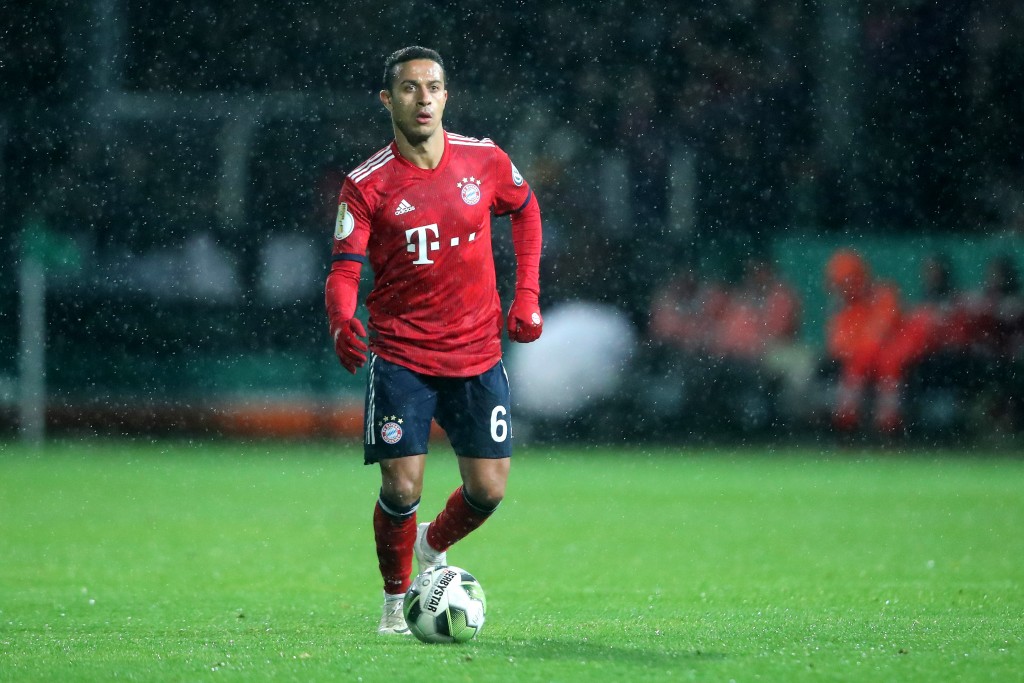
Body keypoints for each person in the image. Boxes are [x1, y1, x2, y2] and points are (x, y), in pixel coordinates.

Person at [324, 46, 544, 635]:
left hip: (476, 354)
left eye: (433, 87)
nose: (423, 99)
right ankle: (396, 606)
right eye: (409, 89)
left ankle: (431, 546)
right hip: (402, 355)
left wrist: (527, 294)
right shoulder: (366, 184)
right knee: (401, 483)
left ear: (446, 96)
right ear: (387, 99)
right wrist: (342, 319)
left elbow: (526, 212)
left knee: (488, 490)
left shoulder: (486, 160)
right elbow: (344, 269)